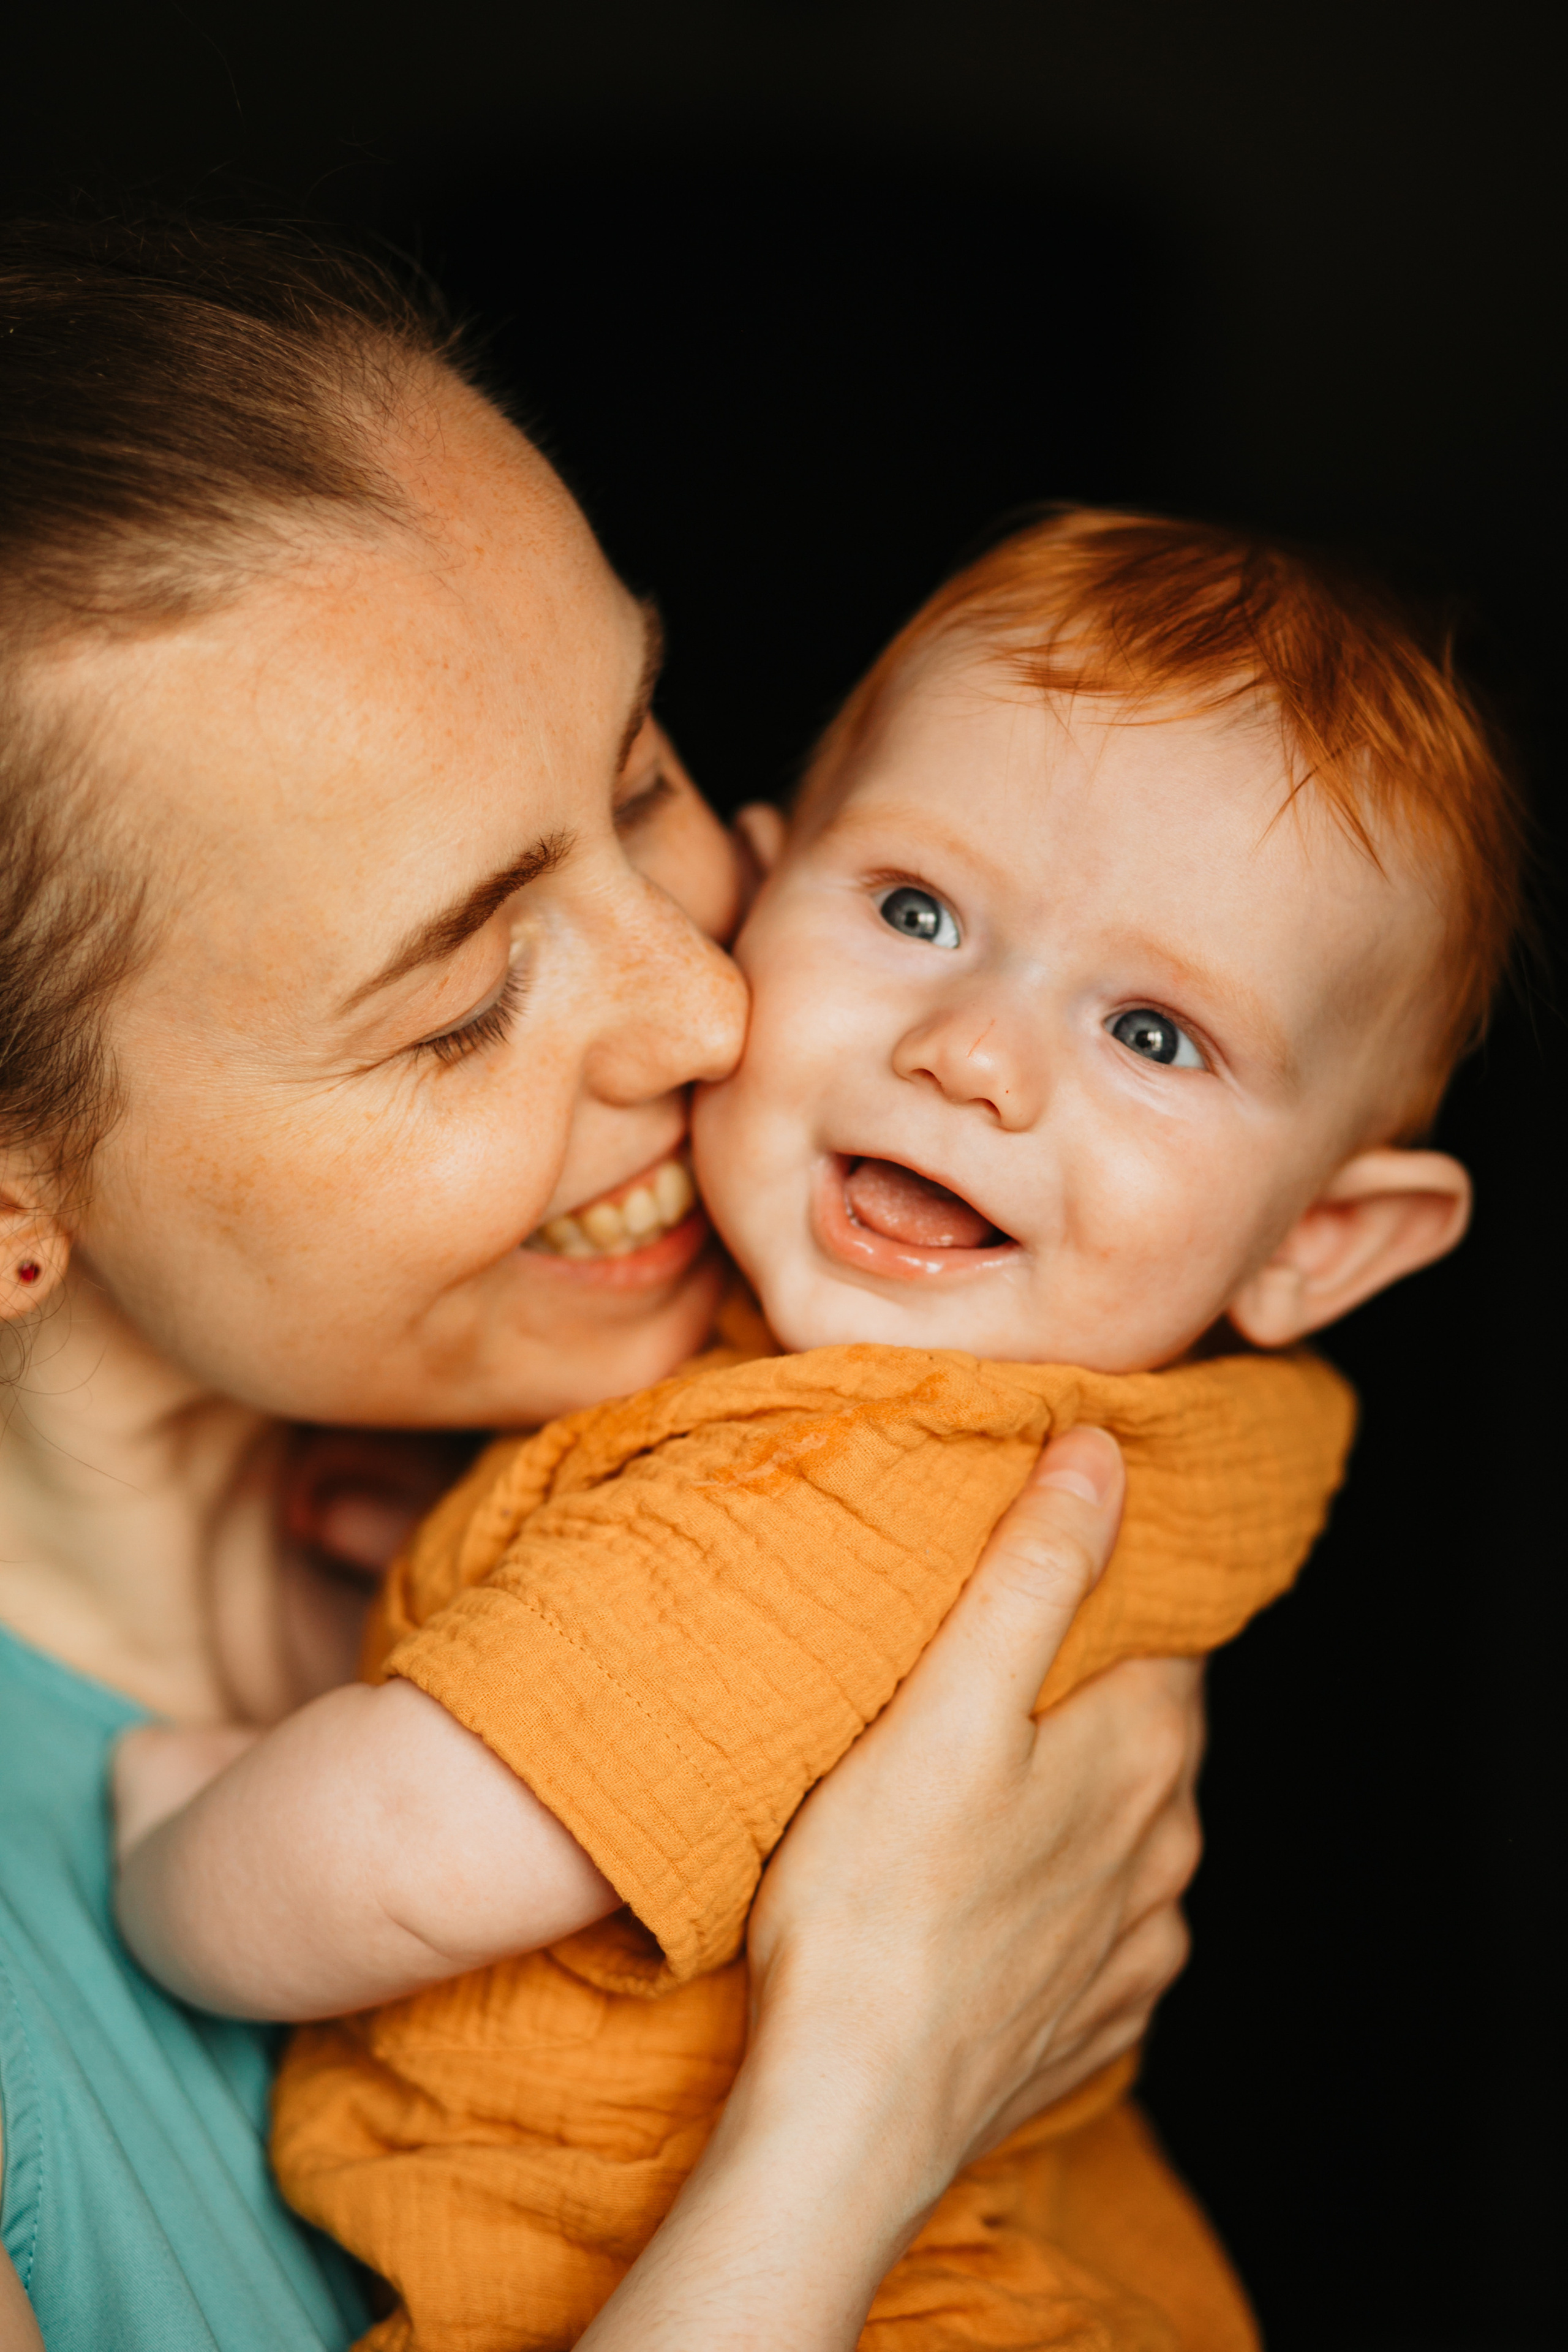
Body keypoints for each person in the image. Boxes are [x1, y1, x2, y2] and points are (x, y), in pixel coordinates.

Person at [112, 510, 1521, 2352]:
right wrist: (462, 1541)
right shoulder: (979, 1410)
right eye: (918, 912)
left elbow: (394, 1863)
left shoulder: (850, 1483)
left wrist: (173, 1833)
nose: (976, 1054)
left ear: (1320, 1241)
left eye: (1155, 1035)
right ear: (764, 892)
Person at [0, 214, 1207, 2352]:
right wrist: (870, 2101)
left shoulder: (736, 1465)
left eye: (642, 778)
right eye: (462, 1006)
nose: (714, 1010)